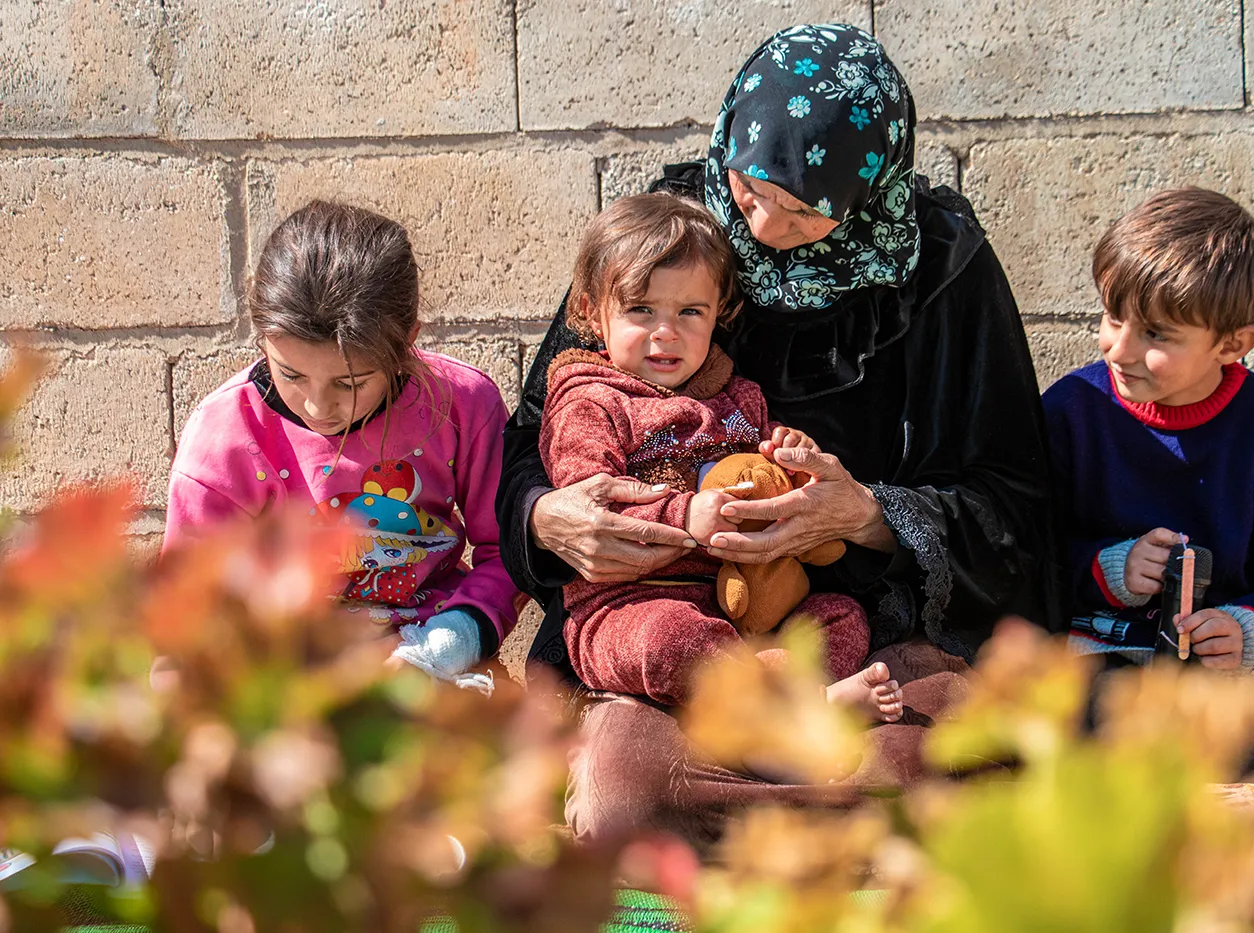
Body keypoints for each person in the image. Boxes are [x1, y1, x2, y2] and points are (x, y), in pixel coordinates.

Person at [497, 23, 1058, 843]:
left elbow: (1015, 496)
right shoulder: (670, 237)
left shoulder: (942, 266)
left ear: (866, 195)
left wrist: (865, 516)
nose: (759, 227)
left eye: (801, 212)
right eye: (751, 188)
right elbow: (534, 435)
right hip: (676, 629)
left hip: (854, 627)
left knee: (951, 756)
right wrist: (550, 518)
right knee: (628, 790)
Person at [540, 192, 904, 721]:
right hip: (636, 601)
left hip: (753, 604)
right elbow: (590, 509)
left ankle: (773, 702)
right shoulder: (591, 403)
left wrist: (792, 453)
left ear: (721, 314)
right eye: (641, 310)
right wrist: (684, 517)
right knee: (670, 642)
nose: (666, 332)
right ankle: (799, 712)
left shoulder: (733, 398)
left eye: (690, 311)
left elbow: (761, 448)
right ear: (593, 313)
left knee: (841, 616)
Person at [165, 200, 519, 692]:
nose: (316, 406)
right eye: (289, 374)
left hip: (435, 654)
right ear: (261, 334)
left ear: (405, 345)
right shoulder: (225, 438)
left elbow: (508, 549)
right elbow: (188, 607)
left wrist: (442, 648)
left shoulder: (460, 405)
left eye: (350, 383)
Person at [1042, 188, 1254, 764]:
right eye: (1112, 318)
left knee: (1239, 742)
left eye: (1156, 335)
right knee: (1091, 727)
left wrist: (1249, 628)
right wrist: (1105, 569)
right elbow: (1018, 548)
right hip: (1095, 653)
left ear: (1232, 344)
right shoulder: (1071, 411)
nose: (1119, 350)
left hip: (1217, 676)